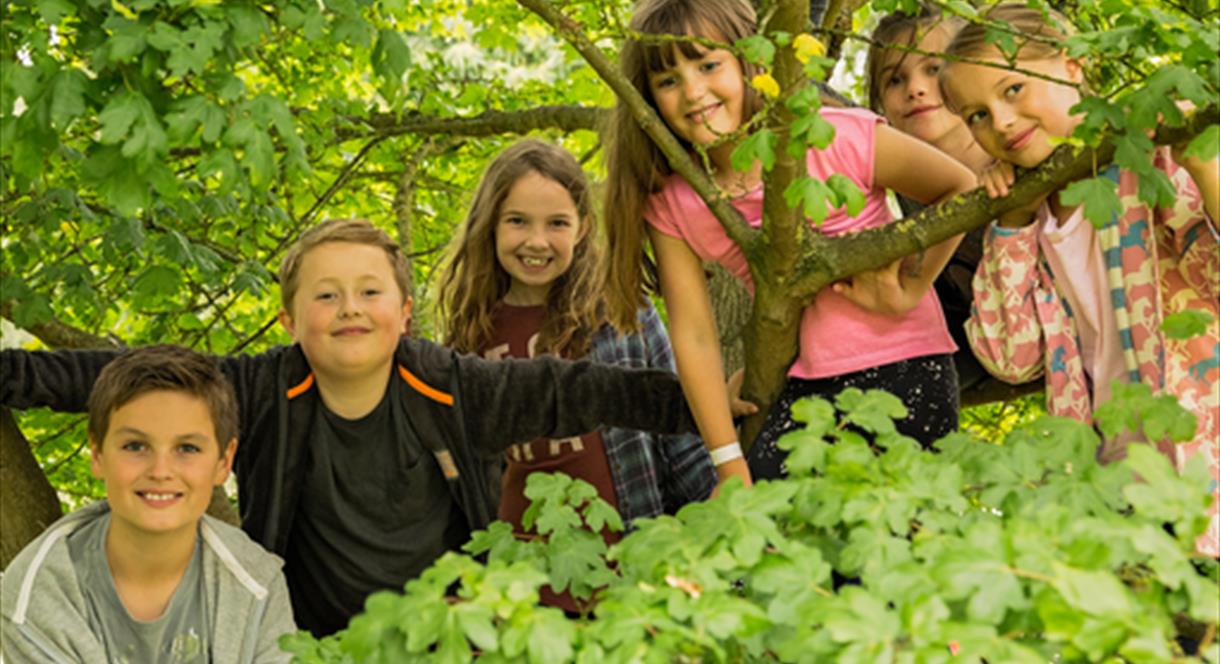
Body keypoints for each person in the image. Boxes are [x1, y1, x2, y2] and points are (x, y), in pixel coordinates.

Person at [0, 219, 700, 636]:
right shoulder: (257, 389)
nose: (349, 309)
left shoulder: (456, 389)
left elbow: (577, 390)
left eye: (369, 292)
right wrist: (10, 375)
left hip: (448, 637)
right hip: (317, 642)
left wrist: (698, 405)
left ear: (402, 312)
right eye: (325, 295)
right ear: (289, 319)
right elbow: (123, 377)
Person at [601, 0, 977, 480]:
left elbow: (961, 188)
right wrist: (727, 461)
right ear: (649, 101)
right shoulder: (678, 202)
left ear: (749, 62)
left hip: (904, 367)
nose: (693, 91)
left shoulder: (830, 136)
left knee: (894, 538)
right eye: (668, 80)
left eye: (708, 64)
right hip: (800, 386)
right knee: (777, 528)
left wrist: (914, 284)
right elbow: (693, 334)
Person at [939, 3, 1219, 555]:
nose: (1000, 122)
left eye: (1013, 89)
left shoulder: (1151, 158)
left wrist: (1200, 162)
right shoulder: (1030, 217)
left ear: (1071, 65)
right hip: (1115, 486)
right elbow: (1009, 355)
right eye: (975, 114)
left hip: (1204, 462)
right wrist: (1013, 222)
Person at [436, 139, 717, 610]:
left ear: (583, 227)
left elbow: (681, 439)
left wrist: (718, 519)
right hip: (518, 585)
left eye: (557, 223)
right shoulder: (468, 340)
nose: (537, 241)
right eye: (517, 221)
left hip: (627, 569)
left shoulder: (622, 313)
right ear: (490, 224)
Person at [1, 345, 296, 663]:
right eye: (135, 445)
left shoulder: (258, 584)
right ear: (98, 454)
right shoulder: (35, 596)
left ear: (224, 462)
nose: (160, 471)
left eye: (187, 448)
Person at [865, 5, 996, 395]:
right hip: (963, 337)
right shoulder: (900, 182)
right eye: (894, 80)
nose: (915, 89)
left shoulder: (1015, 152)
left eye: (934, 70)